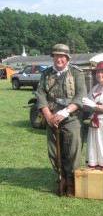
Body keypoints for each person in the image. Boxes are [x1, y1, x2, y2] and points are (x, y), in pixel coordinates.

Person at [36, 43, 87, 196]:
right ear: (53, 57)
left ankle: (71, 181)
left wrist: (64, 112)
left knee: (72, 151)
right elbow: (40, 95)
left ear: (67, 58)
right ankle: (61, 178)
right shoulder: (46, 74)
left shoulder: (77, 73)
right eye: (56, 56)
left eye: (62, 56)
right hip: (51, 118)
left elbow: (80, 96)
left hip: (71, 118)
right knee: (54, 151)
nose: (59, 59)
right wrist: (48, 115)